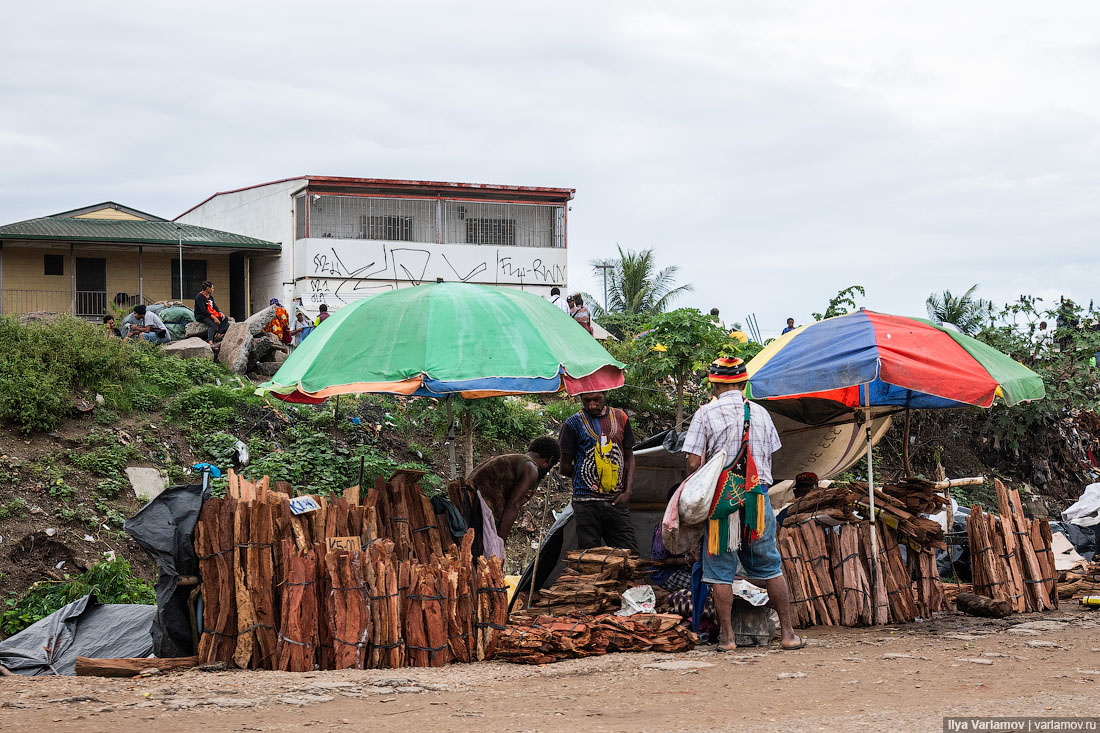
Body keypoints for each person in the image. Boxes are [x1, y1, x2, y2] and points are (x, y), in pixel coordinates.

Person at [682, 356, 804, 652]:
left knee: (719, 570)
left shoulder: (705, 414)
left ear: (714, 383)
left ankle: (727, 638)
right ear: (744, 383)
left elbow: (694, 462)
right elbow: (769, 458)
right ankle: (787, 634)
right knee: (770, 565)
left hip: (722, 500)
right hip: (757, 499)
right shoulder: (761, 413)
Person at [458, 437, 561, 561]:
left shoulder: (516, 460)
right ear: (550, 460)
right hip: (477, 510)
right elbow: (513, 505)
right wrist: (500, 543)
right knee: (483, 560)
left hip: (467, 504)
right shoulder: (530, 468)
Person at [559, 391, 637, 551]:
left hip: (616, 500)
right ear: (580, 398)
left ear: (605, 394)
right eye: (587, 400)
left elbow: (629, 457)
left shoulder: (621, 417)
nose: (592, 405)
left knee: (628, 555)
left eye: (596, 399)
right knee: (589, 557)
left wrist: (628, 491)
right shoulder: (573, 423)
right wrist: (585, 479)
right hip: (585, 503)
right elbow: (564, 466)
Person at [194, 281, 229, 346]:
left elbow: (214, 307)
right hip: (202, 315)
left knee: (225, 319)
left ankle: (218, 334)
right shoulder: (199, 297)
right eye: (212, 288)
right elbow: (203, 311)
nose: (213, 290)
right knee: (212, 324)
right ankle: (210, 342)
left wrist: (220, 312)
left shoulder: (210, 297)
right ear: (207, 288)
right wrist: (214, 318)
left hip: (210, 314)